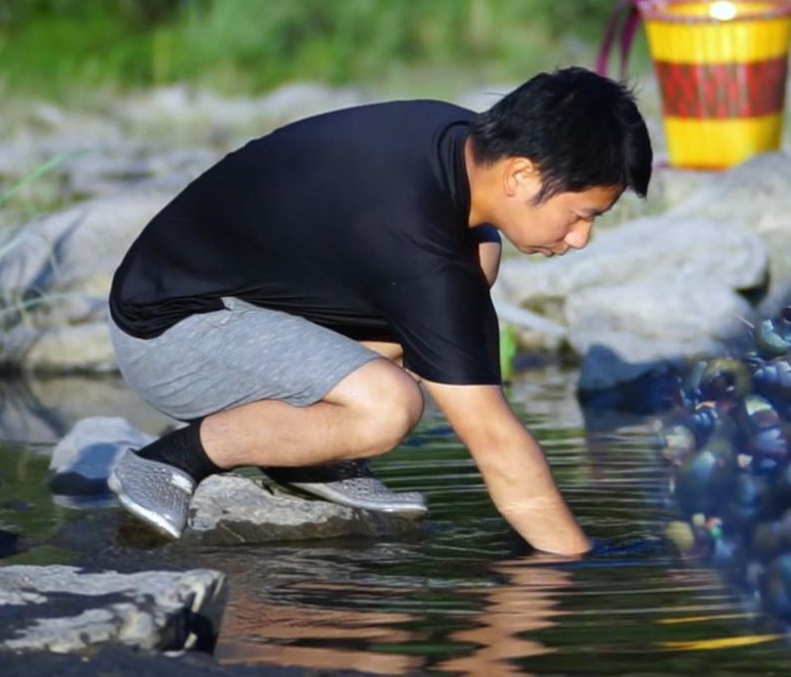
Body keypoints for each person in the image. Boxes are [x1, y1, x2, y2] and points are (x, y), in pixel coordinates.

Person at [104, 67, 652, 555]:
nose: (581, 239)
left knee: (478, 260)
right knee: (387, 409)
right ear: (521, 177)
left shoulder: (458, 143)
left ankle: (304, 454)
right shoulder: (416, 243)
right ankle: (169, 460)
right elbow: (493, 439)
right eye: (582, 215)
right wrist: (576, 565)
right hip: (168, 329)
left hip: (236, 296)